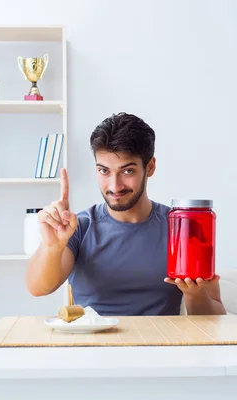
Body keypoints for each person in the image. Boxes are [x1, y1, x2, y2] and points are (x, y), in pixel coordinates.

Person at [25, 112, 226, 316]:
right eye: (104, 171)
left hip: (162, 345)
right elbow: (38, 288)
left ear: (150, 167)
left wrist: (194, 295)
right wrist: (52, 246)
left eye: (127, 171)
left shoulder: (181, 226)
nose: (114, 186)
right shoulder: (80, 227)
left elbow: (216, 318)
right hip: (93, 346)